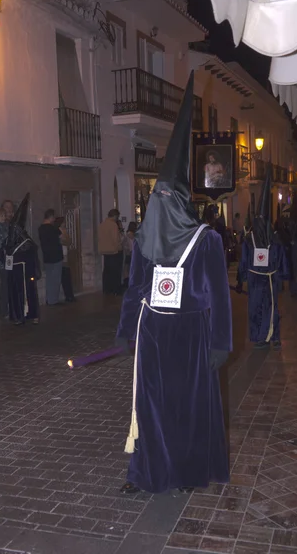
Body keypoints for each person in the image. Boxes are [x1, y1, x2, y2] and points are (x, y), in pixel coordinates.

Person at [115, 73, 232, 494]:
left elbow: (219, 296)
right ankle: (145, 472)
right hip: (153, 334)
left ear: (181, 201)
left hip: (192, 336)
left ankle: (182, 470)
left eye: (167, 197)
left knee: (185, 408)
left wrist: (221, 344)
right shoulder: (145, 240)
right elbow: (135, 288)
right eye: (155, 198)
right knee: (150, 407)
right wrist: (128, 331)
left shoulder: (209, 242)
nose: (159, 205)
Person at [237, 165, 289, 350]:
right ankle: (265, 337)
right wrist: (282, 275)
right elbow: (245, 259)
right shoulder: (253, 240)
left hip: (262, 280)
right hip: (266, 279)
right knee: (264, 308)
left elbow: (280, 256)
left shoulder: (263, 239)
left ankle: (269, 336)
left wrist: (241, 278)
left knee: (266, 308)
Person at [0, 193, 40, 325]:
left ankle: (30, 314)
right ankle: (17, 315)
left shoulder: (26, 239)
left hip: (25, 271)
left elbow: (33, 249)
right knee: (15, 290)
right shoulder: (6, 237)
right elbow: (4, 251)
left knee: (28, 290)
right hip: (14, 270)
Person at [38, 209, 63, 306]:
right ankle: (54, 300)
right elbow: (62, 238)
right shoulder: (53, 228)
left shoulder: (41, 228)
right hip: (56, 256)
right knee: (56, 279)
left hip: (47, 256)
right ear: (51, 217)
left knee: (49, 279)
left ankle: (49, 299)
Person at [98, 209, 123, 295]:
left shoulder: (102, 224)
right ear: (115, 216)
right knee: (115, 271)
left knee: (107, 270)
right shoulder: (113, 225)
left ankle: (106, 289)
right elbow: (115, 239)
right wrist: (120, 247)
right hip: (114, 251)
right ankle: (116, 290)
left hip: (105, 250)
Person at [56, 217, 76, 303]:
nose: (65, 223)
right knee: (65, 276)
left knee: (67, 276)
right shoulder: (58, 231)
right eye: (63, 222)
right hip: (62, 255)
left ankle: (70, 295)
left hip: (65, 254)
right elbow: (64, 241)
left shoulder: (64, 231)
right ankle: (68, 295)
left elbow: (69, 241)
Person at [122, 222, 137, 289]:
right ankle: (129, 283)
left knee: (128, 268)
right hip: (131, 253)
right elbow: (132, 244)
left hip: (129, 253)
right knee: (130, 268)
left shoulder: (128, 234)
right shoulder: (130, 235)